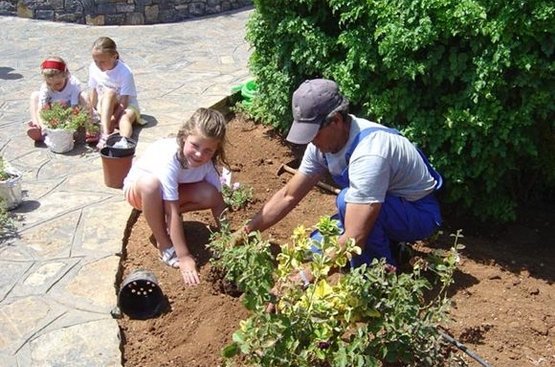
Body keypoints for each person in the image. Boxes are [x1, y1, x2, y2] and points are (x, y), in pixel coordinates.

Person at [233, 78, 442, 285]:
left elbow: (355, 236)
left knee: (345, 204)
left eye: (314, 133)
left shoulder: (369, 154)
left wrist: (303, 279)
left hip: (417, 214)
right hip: (381, 206)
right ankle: (391, 245)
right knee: (310, 251)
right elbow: (289, 195)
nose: (310, 141)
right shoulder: (322, 146)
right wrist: (245, 230)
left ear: (336, 121)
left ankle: (377, 278)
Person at [123, 108, 228, 286]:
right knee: (151, 184)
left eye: (208, 150)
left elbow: (218, 202)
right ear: (185, 136)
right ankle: (164, 243)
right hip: (140, 193)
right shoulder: (170, 158)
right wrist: (184, 256)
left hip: (171, 194)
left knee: (210, 193)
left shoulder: (207, 164)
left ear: (216, 149)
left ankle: (159, 217)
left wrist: (228, 235)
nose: (199, 154)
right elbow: (172, 211)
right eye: (195, 145)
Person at [88, 36, 144, 149]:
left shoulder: (125, 72)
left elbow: (124, 102)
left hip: (126, 106)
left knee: (124, 118)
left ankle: (123, 142)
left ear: (114, 57)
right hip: (105, 106)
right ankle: (105, 130)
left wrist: (114, 118)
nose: (98, 65)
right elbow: (93, 91)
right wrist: (92, 112)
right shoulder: (93, 68)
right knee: (106, 94)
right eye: (95, 61)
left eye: (102, 62)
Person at [27, 56, 89, 142]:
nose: (53, 87)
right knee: (34, 96)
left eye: (58, 84)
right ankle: (37, 126)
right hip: (53, 112)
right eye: (49, 84)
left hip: (70, 112)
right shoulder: (45, 87)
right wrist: (44, 126)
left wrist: (71, 123)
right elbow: (41, 109)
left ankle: (87, 128)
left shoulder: (73, 84)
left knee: (84, 96)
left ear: (66, 75)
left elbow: (75, 107)